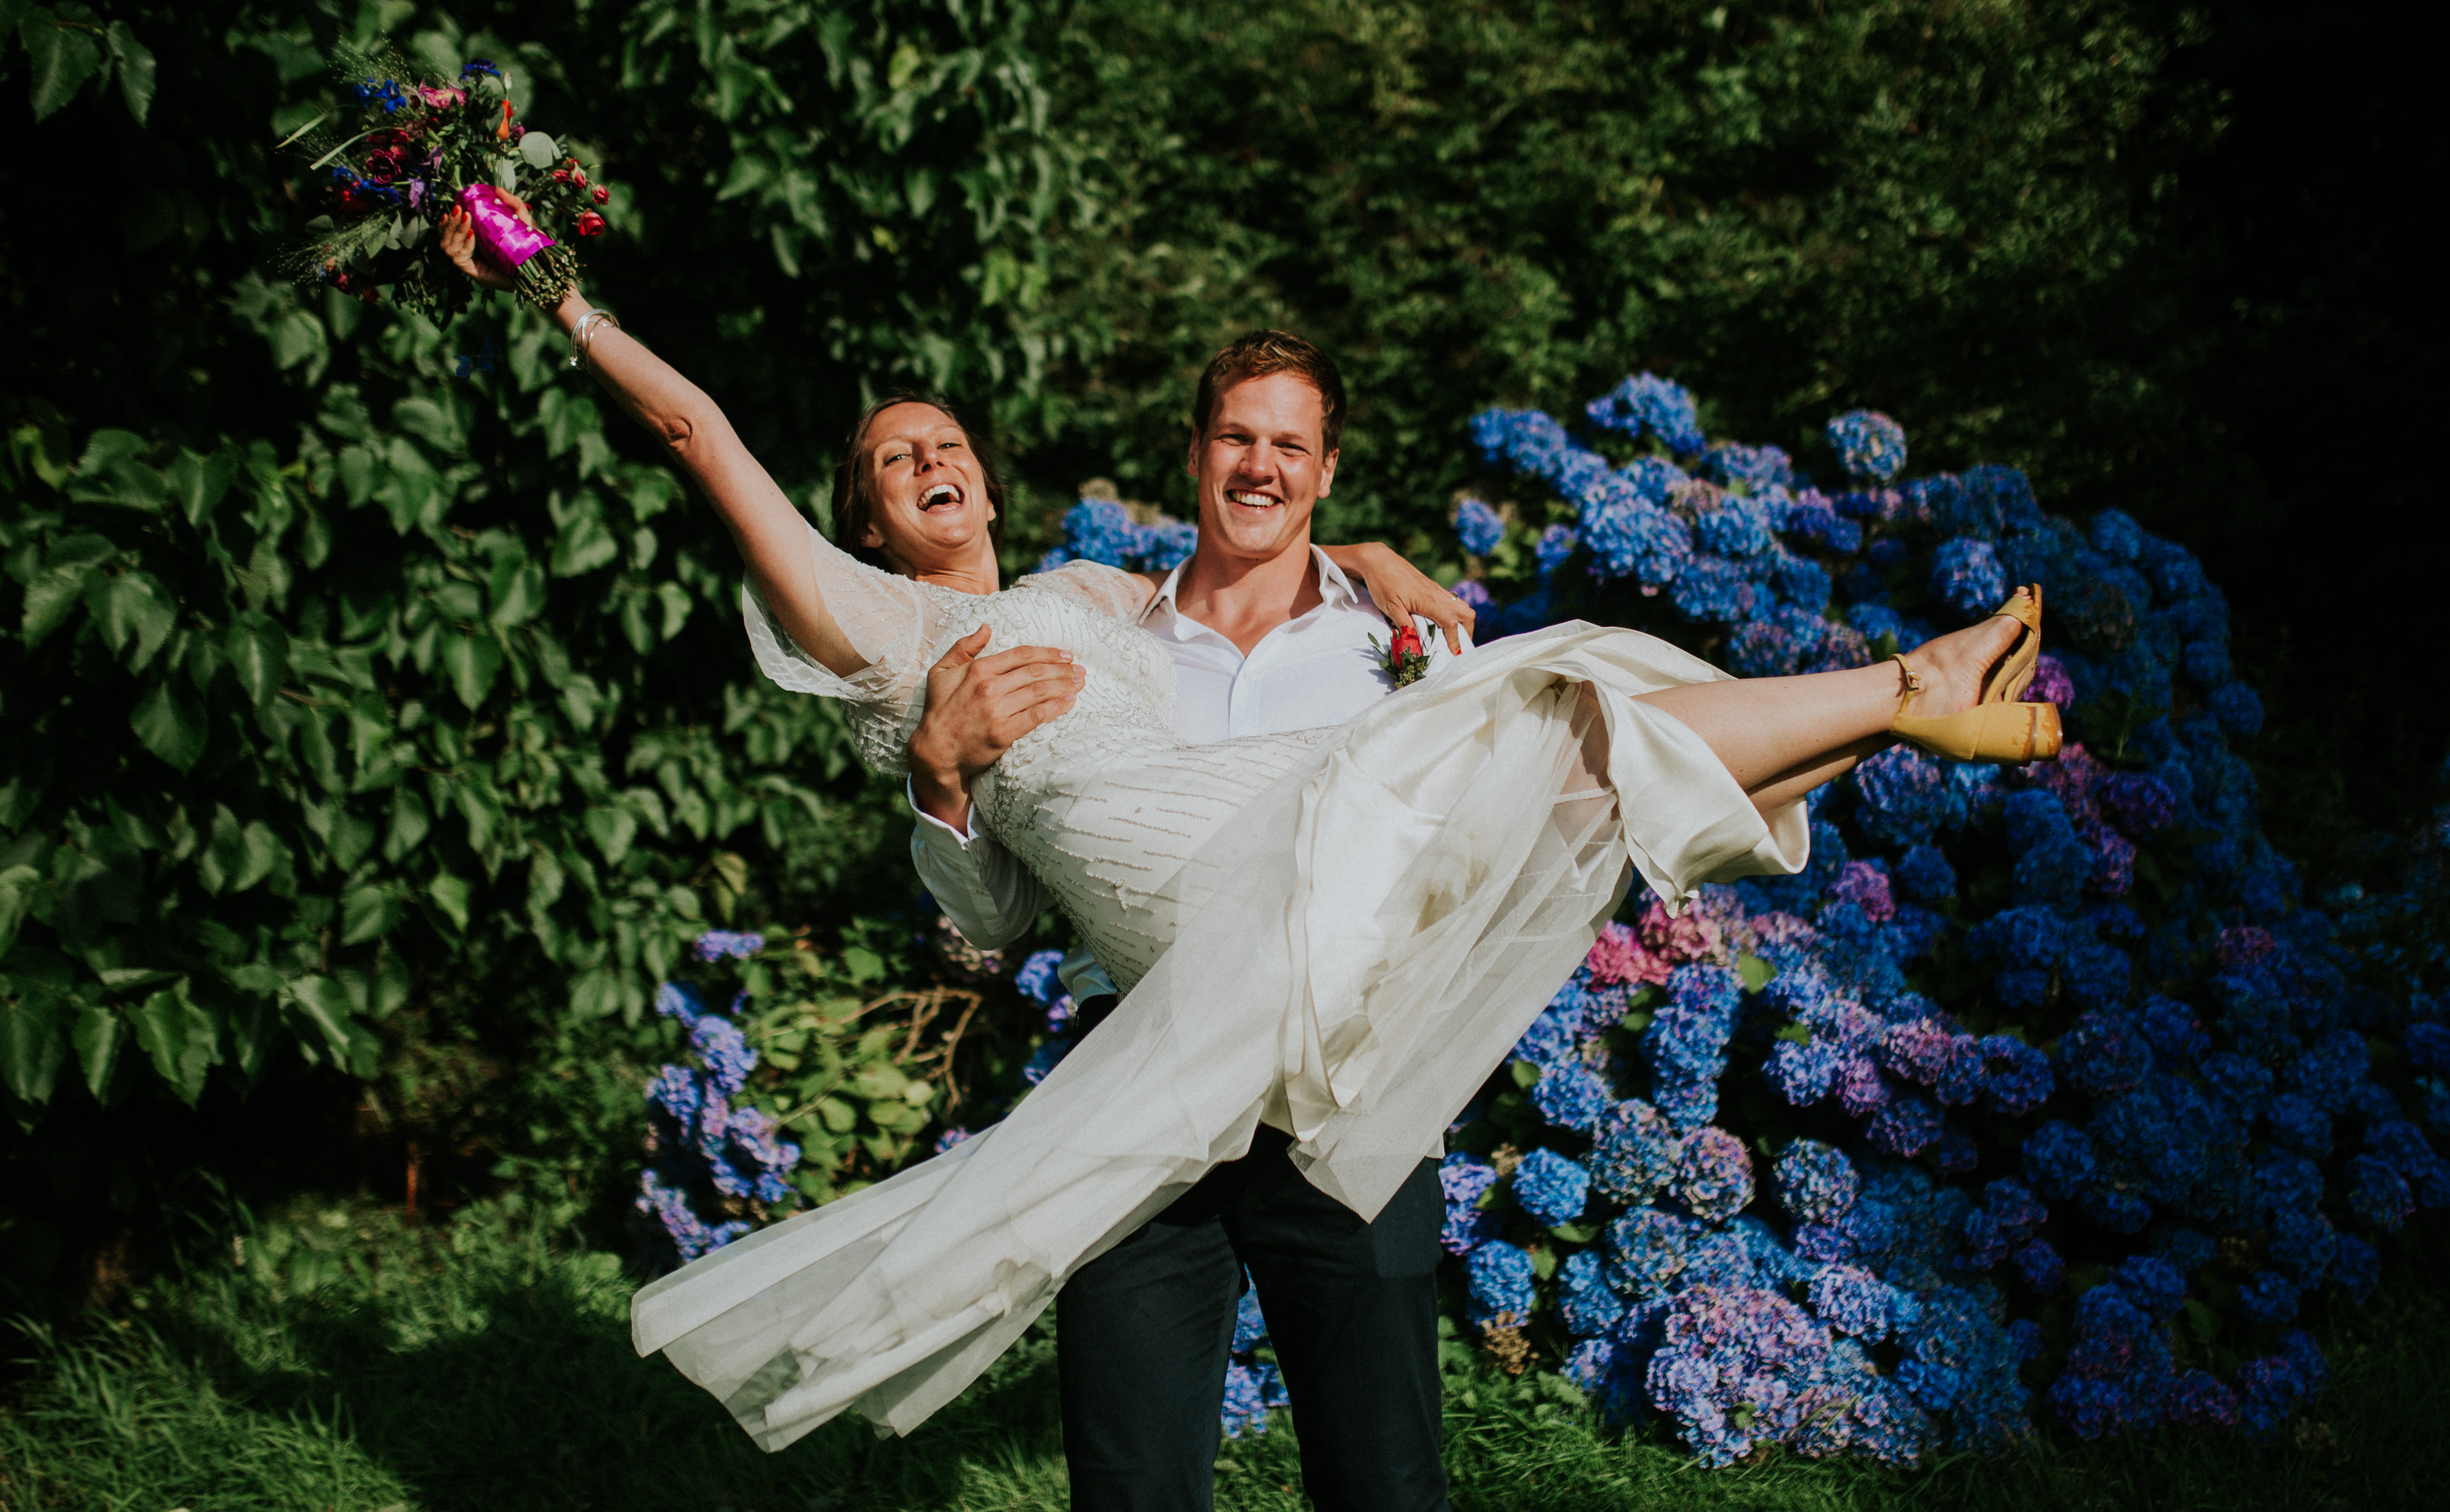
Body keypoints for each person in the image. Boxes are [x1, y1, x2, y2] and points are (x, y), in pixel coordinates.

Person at [439, 195, 2057, 1459]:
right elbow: (698, 437)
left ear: (991, 483)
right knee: (1570, 720)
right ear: (861, 516)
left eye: (946, 440)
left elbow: (1258, 548)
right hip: (1192, 945)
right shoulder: (879, 636)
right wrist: (549, 285)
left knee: (1574, 712)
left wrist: (1373, 562)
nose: (926, 457)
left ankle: (1899, 698)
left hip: (1302, 913)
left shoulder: (1091, 595)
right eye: (888, 458)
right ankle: (1897, 696)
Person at [903, 331, 1471, 1510]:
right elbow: (998, 913)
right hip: (1137, 1091)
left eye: (1288, 445)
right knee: (1129, 1480)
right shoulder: (1100, 637)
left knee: (1385, 1481)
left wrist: (1365, 561)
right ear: (1195, 451)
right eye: (1234, 437)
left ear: (1324, 469)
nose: (1258, 466)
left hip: (1344, 1100)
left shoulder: (1404, 647)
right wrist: (942, 781)